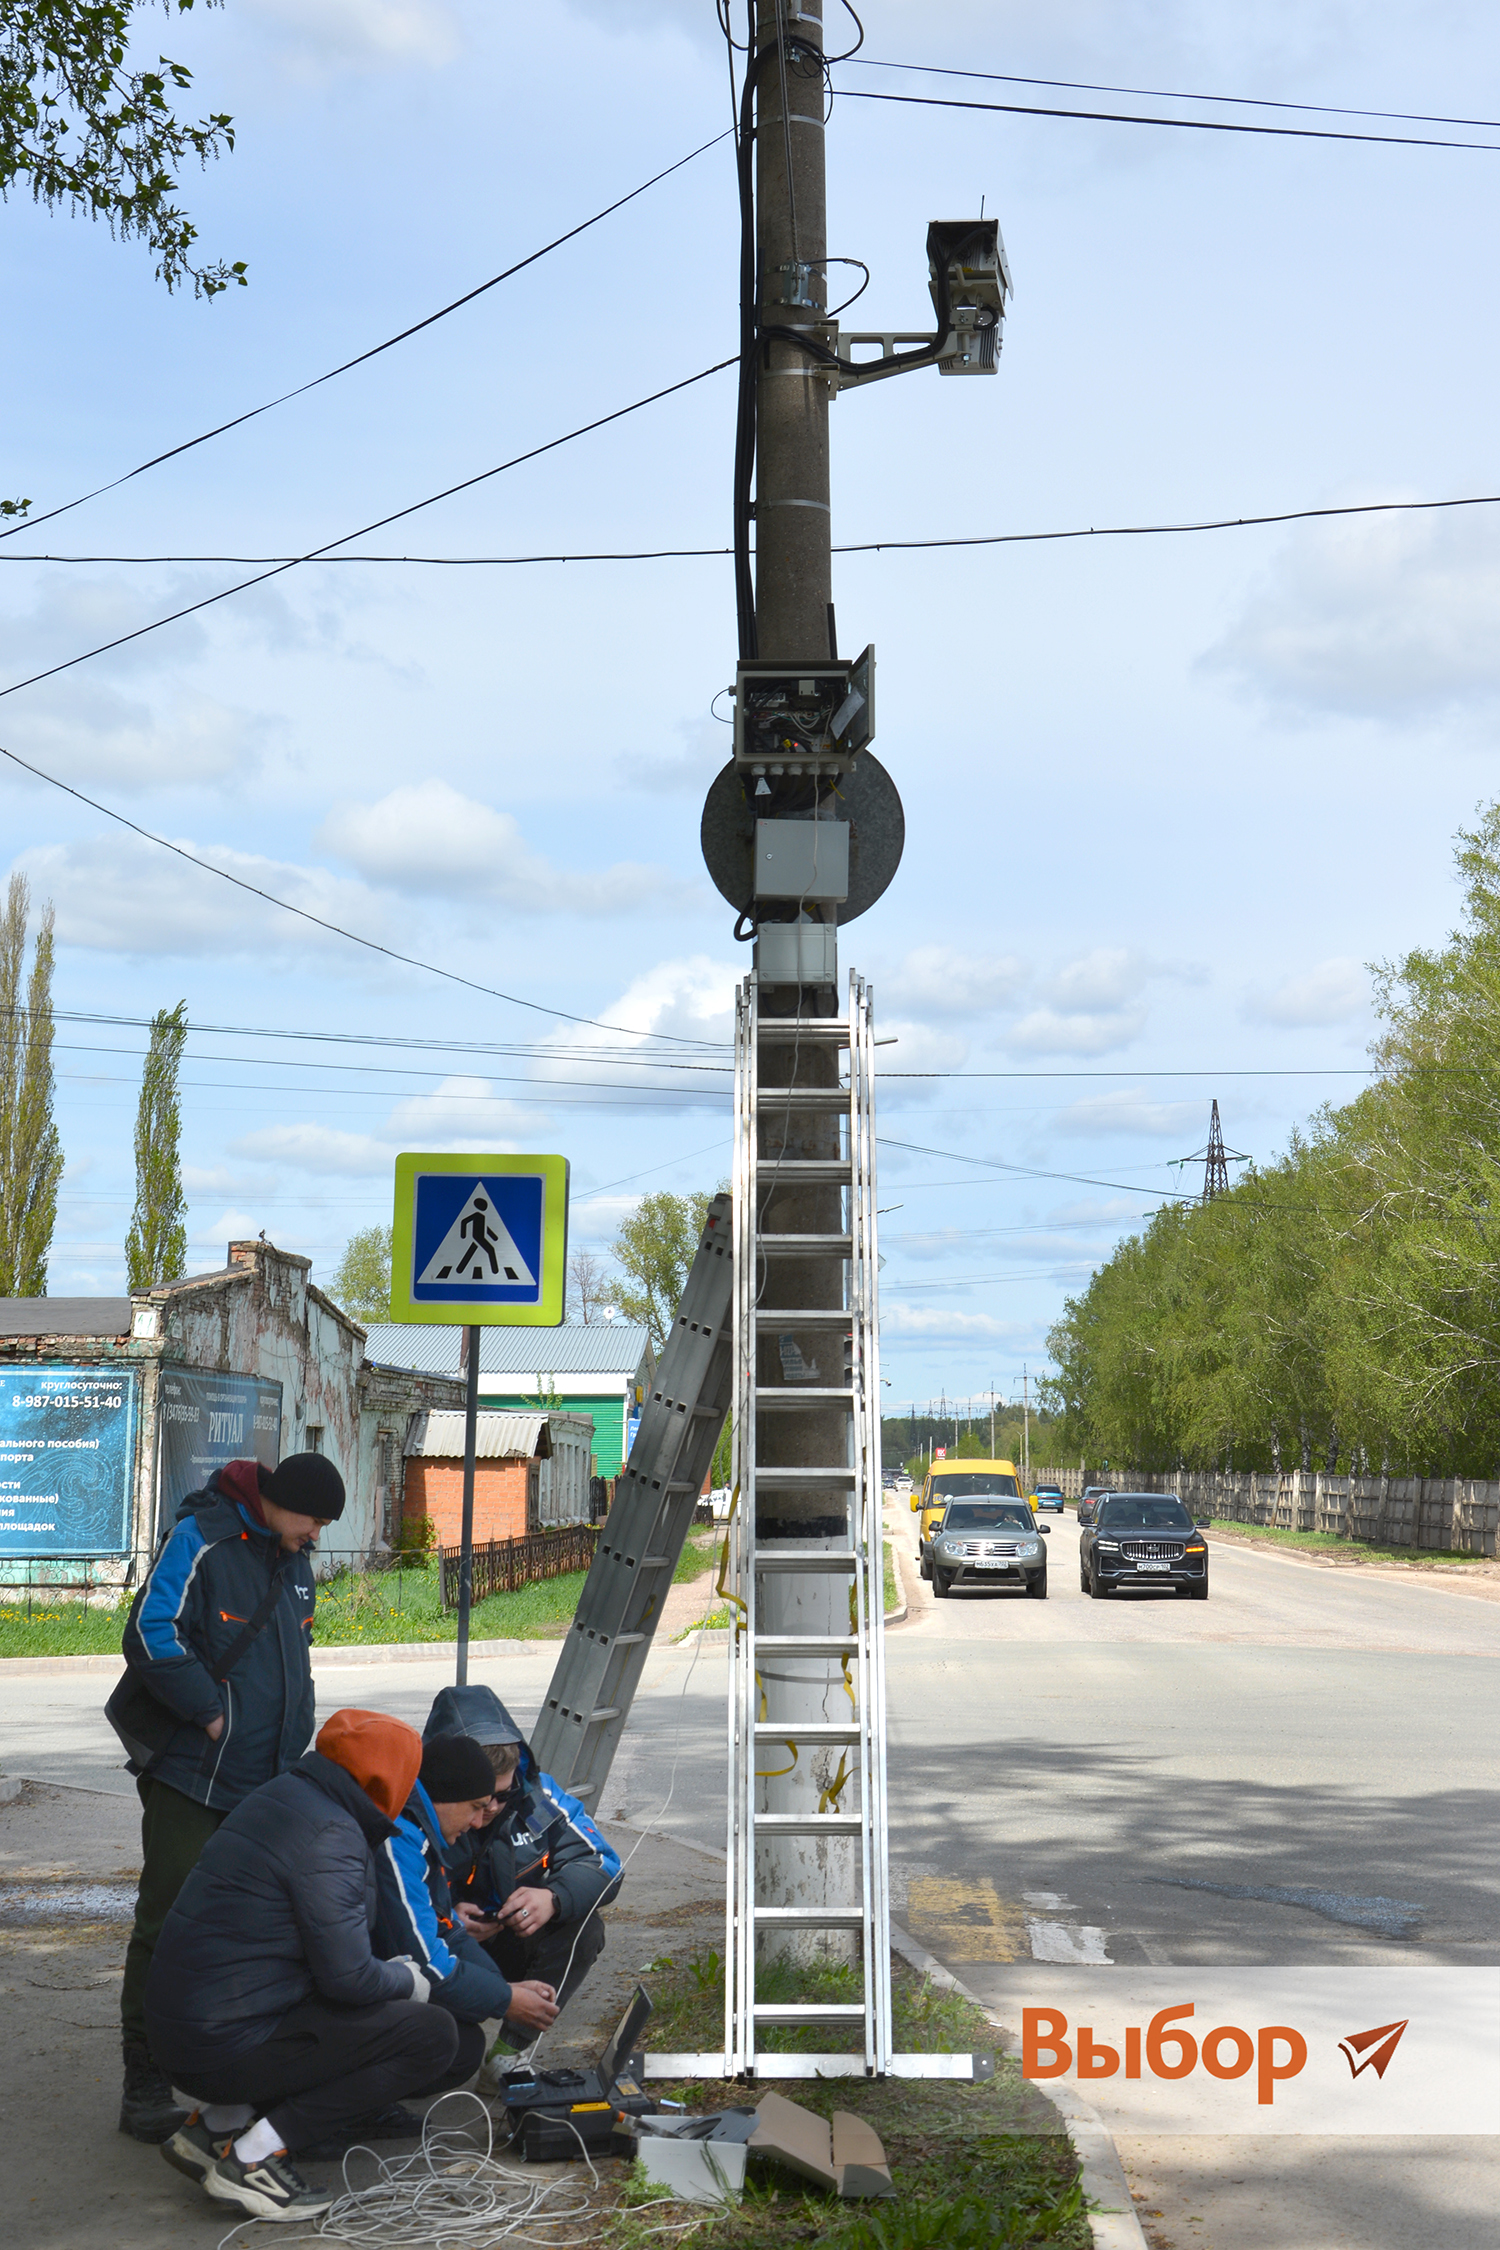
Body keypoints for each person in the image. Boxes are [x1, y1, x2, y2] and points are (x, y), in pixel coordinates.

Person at [146, 1708, 486, 2224]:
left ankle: (214, 2127)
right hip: (222, 2041)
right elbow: (348, 1978)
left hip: (191, 2028)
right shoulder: (333, 1833)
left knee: (353, 2010)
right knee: (434, 2034)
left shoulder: (285, 1797)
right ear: (387, 1779)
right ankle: (255, 2157)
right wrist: (408, 1979)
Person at [114, 1449, 345, 2143]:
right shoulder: (203, 1537)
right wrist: (209, 1712)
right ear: (279, 1502)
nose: (317, 1535)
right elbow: (149, 1633)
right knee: (167, 1926)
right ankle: (145, 2082)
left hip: (268, 1784)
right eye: (314, 1519)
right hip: (193, 1779)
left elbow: (291, 1663)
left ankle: (251, 2080)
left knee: (260, 1936)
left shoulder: (292, 1558)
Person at [421, 1684, 621, 2032]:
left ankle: (510, 2052)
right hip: (440, 1955)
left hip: (506, 1944)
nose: (492, 1808)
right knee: (451, 2054)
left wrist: (552, 1898)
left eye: (504, 1793)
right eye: (479, 1799)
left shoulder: (536, 1801)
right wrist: (447, 1922)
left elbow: (603, 1863)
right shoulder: (414, 1814)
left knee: (584, 1929)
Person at [373, 1728, 561, 2045]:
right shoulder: (399, 1842)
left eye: (498, 1799)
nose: (478, 1821)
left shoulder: (424, 1836)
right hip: (348, 1991)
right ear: (446, 1797)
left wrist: (501, 1990)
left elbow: (443, 1925)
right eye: (475, 1806)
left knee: (464, 2030)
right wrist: (506, 1999)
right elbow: (421, 1958)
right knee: (454, 2042)